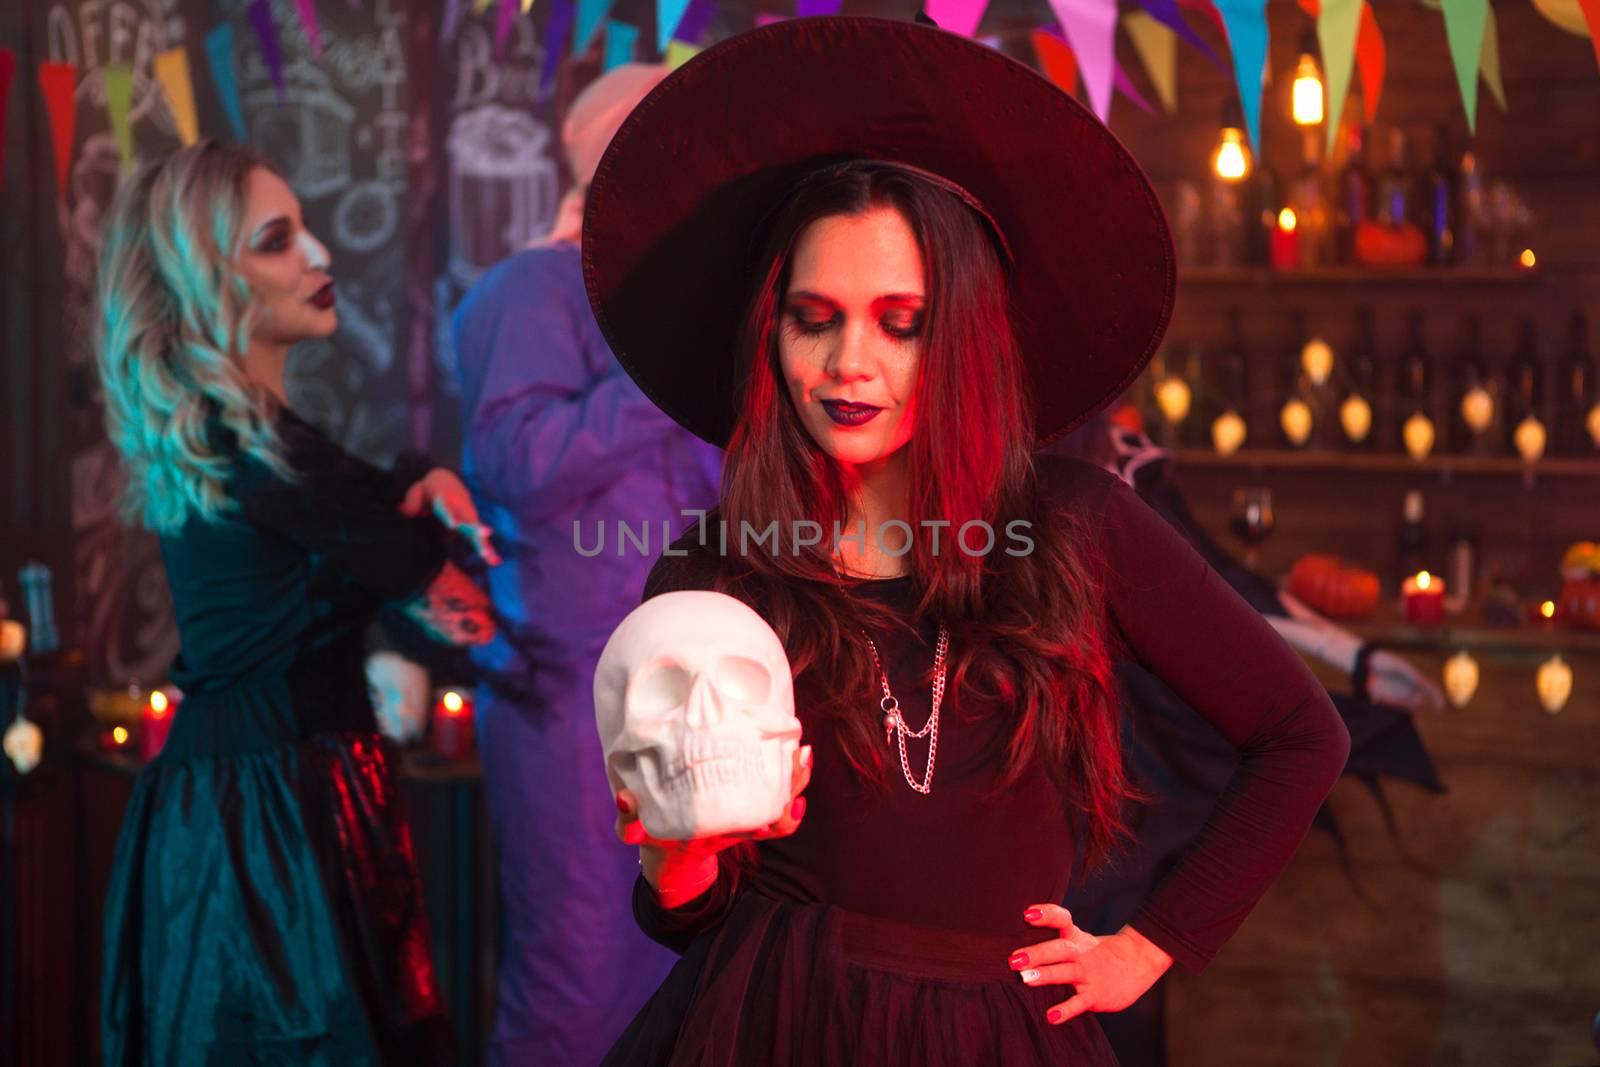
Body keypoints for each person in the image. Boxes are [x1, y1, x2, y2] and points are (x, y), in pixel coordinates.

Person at [580, 18, 1353, 1065]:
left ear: (964, 336)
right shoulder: (717, 568)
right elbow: (687, 914)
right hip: (776, 1017)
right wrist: (674, 866)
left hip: (992, 1027)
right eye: (815, 317)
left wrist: (1156, 942)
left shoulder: (1080, 524)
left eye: (900, 320)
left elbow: (1300, 733)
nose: (849, 361)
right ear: (774, 333)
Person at [93, 141, 497, 1066]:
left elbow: (374, 535)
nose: (320, 255)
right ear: (209, 282)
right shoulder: (273, 456)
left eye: (305, 229)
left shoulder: (225, 437)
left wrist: (418, 486)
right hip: (272, 823)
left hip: (229, 806)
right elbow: (468, 615)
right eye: (278, 241)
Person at [450, 64, 724, 1065]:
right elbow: (515, 467)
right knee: (576, 969)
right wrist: (659, 371)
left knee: (681, 964)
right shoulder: (526, 287)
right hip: (571, 689)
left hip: (695, 684)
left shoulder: (686, 306)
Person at [1050, 412, 1445, 1067]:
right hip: (1023, 784)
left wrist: (1356, 656)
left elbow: (1221, 581)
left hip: (1119, 757)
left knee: (1104, 967)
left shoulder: (1110, 474)